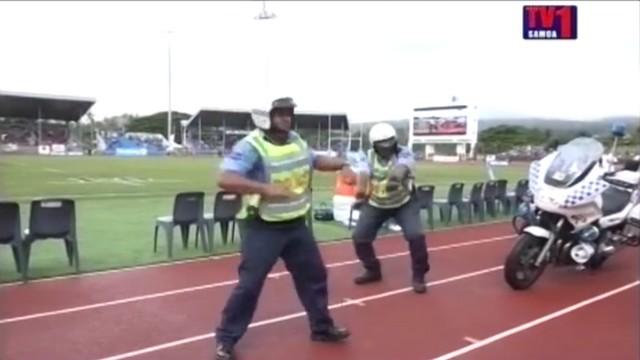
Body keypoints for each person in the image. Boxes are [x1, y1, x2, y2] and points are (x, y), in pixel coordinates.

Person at [214, 97, 353, 360]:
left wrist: (343, 165)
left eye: (289, 113)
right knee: (250, 285)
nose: (287, 118)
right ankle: (226, 339)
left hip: (296, 225)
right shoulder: (251, 146)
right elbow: (224, 177)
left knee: (315, 277)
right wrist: (264, 188)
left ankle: (321, 328)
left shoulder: (296, 140)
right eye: (280, 114)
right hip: (263, 226)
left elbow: (314, 160)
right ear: (265, 117)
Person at [349, 122, 430, 294]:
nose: (387, 147)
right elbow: (363, 174)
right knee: (360, 238)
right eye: (382, 144)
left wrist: (395, 179)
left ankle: (419, 275)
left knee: (416, 236)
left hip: (404, 202)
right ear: (374, 145)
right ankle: (372, 269)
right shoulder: (366, 155)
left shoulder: (404, 152)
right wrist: (361, 194)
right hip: (377, 203)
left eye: (390, 143)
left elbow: (401, 168)